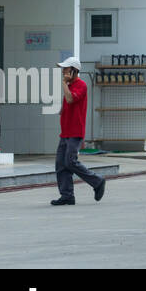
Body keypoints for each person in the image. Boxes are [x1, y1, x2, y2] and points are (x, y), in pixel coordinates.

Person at [52, 57, 105, 206]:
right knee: (61, 164)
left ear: (74, 70)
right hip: (65, 131)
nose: (63, 71)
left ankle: (97, 181)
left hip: (75, 131)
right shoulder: (69, 85)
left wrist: (64, 84)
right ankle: (67, 195)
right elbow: (66, 106)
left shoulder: (81, 85)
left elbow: (70, 100)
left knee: (70, 161)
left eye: (66, 68)